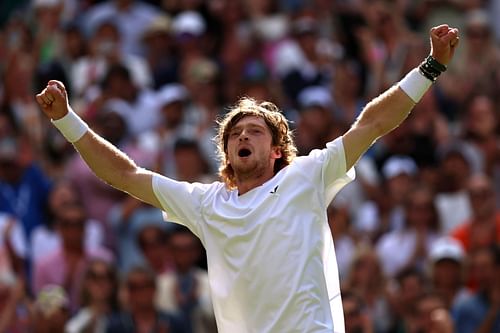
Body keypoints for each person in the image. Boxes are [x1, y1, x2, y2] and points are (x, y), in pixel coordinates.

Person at [35, 24, 460, 333]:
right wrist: (67, 121)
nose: (242, 136)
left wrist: (430, 68)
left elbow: (371, 124)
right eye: (235, 133)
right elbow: (126, 175)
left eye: (254, 131)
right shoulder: (205, 204)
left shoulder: (306, 176)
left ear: (277, 150)